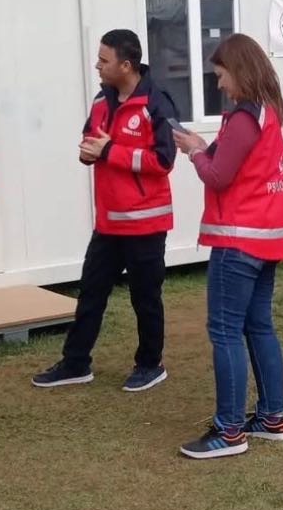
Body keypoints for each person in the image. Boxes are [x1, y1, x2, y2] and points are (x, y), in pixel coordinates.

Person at [171, 33, 283, 460]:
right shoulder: (275, 112)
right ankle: (271, 417)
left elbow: (219, 176)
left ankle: (229, 431)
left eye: (221, 75)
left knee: (225, 330)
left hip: (239, 239)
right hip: (268, 237)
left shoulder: (245, 117)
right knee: (257, 325)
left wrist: (196, 153)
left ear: (239, 71)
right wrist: (206, 148)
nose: (220, 85)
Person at [32, 29, 179, 392]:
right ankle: (75, 362)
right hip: (109, 222)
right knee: (91, 292)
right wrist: (87, 153)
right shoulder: (102, 100)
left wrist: (110, 151)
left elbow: (163, 160)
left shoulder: (157, 102)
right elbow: (90, 140)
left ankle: (150, 364)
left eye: (103, 59)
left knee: (145, 298)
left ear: (125, 65)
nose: (97, 65)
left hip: (146, 223)